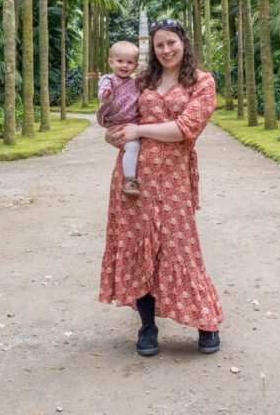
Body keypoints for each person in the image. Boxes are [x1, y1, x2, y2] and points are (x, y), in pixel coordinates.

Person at [98, 18, 223, 356]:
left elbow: (186, 128)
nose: (166, 50)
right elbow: (119, 118)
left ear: (184, 42)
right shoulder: (141, 81)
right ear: (152, 50)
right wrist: (115, 134)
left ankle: (206, 321)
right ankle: (148, 327)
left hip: (172, 180)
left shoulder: (202, 82)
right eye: (159, 45)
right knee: (139, 247)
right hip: (132, 180)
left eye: (171, 42)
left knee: (181, 248)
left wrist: (140, 132)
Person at [97, 41, 142, 198]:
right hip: (117, 123)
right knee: (133, 147)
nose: (124, 65)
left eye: (129, 62)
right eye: (120, 61)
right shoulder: (108, 79)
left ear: (135, 65)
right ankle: (129, 179)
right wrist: (105, 95)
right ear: (110, 62)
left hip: (133, 122)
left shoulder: (135, 83)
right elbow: (103, 92)